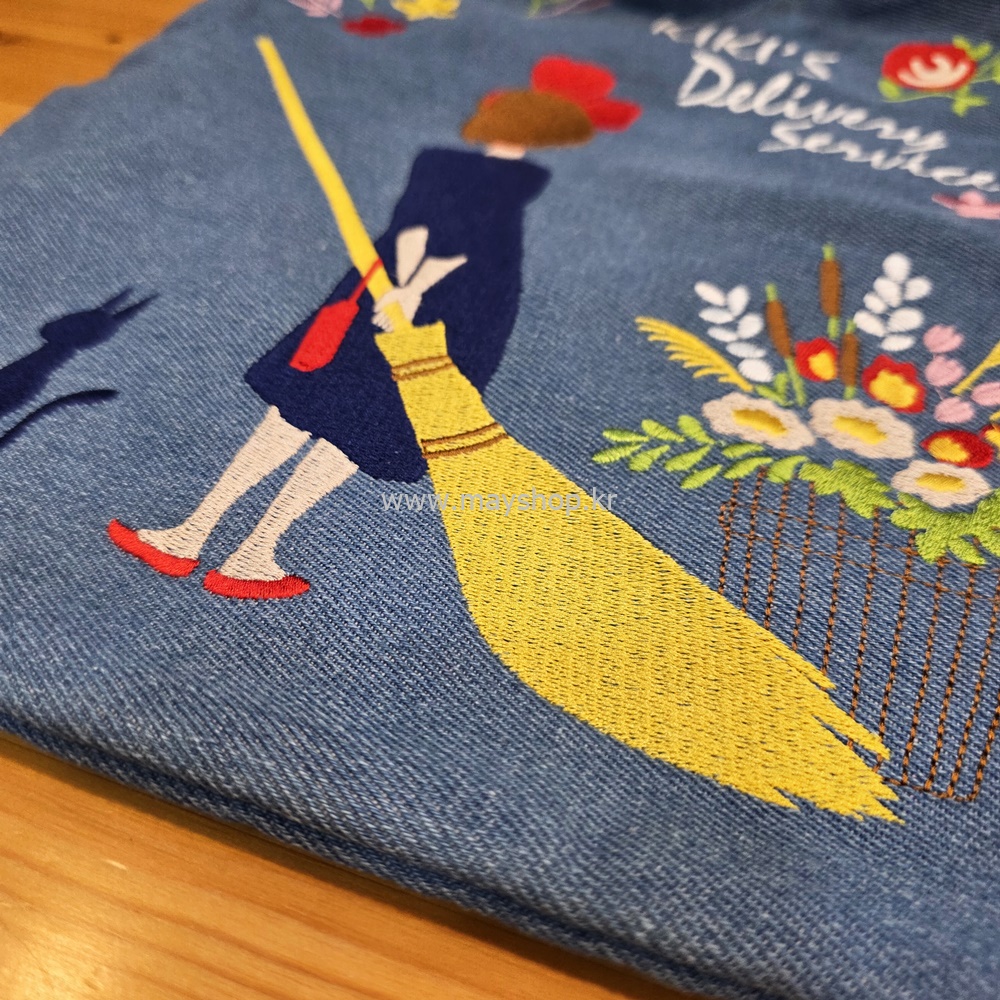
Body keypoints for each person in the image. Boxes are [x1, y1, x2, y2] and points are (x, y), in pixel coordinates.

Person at [109, 55, 640, 599]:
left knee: (323, 417)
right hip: (436, 310)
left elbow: (424, 231)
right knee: (342, 421)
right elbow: (458, 242)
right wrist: (410, 289)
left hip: (413, 301)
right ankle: (236, 548)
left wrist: (404, 284)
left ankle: (210, 539)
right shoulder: (492, 180)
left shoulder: (461, 169)